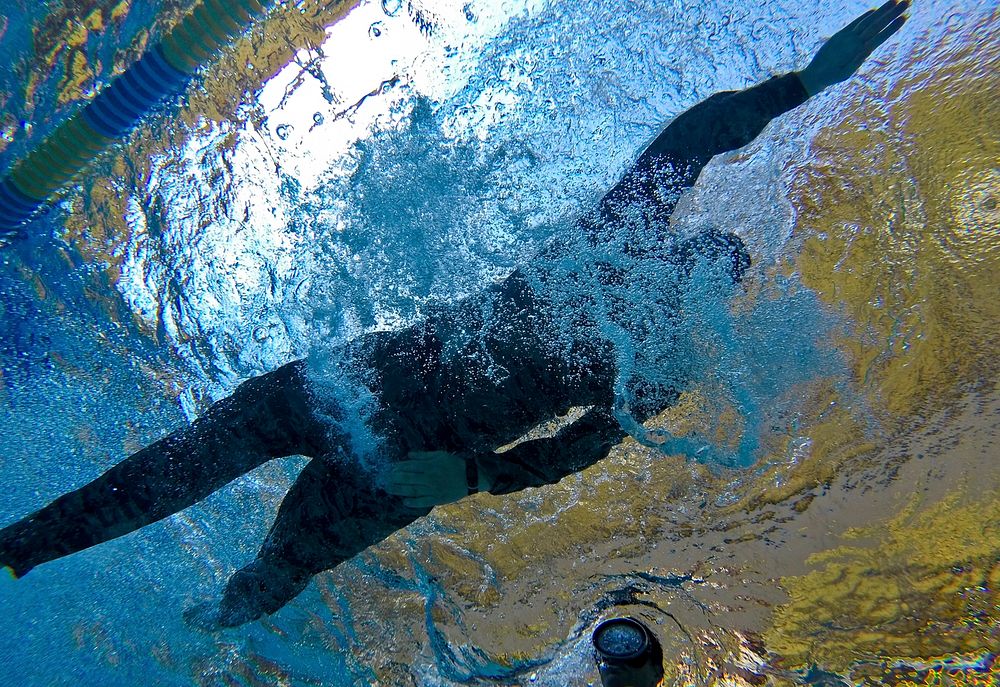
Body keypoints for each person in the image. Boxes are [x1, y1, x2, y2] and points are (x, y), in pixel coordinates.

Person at [0, 2, 908, 627]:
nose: (681, 284)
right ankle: (18, 548)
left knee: (276, 569)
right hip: (359, 385)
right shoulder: (615, 237)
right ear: (672, 249)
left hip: (407, 463)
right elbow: (701, 131)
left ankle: (205, 633)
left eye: (704, 286)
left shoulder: (663, 364)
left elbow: (578, 449)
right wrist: (805, 82)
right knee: (190, 462)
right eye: (691, 264)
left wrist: (475, 478)